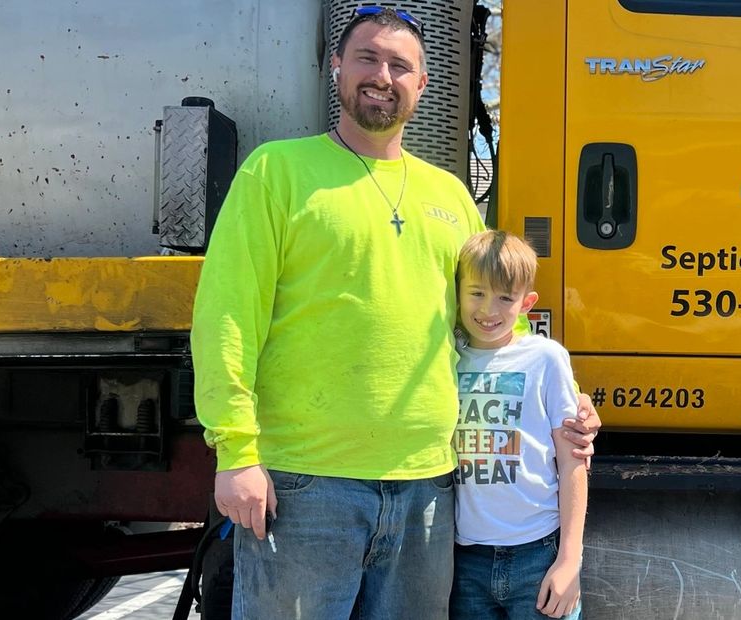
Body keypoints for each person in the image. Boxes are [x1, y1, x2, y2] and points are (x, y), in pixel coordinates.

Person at [189, 7, 599, 618]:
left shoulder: (451, 196)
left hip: (429, 491)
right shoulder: (276, 172)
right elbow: (227, 318)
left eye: (399, 65)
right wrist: (236, 453)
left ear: (422, 83)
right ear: (336, 67)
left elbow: (485, 321)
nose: (383, 75)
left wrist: (565, 402)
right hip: (307, 484)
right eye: (367, 58)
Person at [450, 231, 587, 620]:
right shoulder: (448, 358)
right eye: (476, 293)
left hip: (538, 553)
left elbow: (573, 460)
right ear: (457, 293)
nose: (488, 309)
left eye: (505, 298)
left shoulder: (546, 359)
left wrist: (569, 562)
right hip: (466, 560)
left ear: (526, 304)